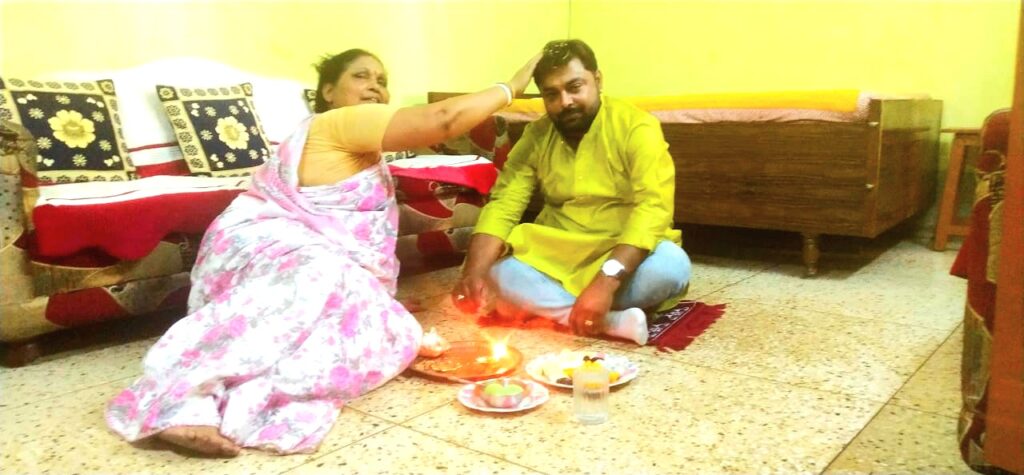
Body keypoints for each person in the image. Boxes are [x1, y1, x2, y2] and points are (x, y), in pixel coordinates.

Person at [106, 48, 541, 457]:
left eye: (382, 80)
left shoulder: (362, 145)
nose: (375, 86)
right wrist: (513, 86)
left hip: (319, 250)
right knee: (321, 275)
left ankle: (250, 393)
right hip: (265, 240)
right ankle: (184, 399)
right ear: (328, 91)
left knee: (396, 332)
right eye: (361, 76)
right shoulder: (337, 123)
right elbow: (443, 119)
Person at [451, 39, 691, 345]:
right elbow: (504, 202)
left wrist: (605, 282)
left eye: (575, 87)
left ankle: (553, 307)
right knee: (494, 271)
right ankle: (608, 321)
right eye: (552, 94)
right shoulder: (537, 135)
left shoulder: (636, 127)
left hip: (621, 253)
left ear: (598, 80)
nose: (565, 101)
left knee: (672, 265)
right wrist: (472, 273)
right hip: (558, 254)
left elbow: (652, 209)